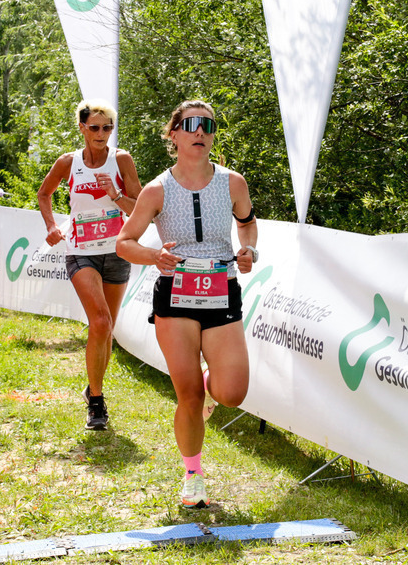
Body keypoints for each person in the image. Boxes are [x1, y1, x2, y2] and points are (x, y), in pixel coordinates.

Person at [115, 99, 258, 509]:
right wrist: (154, 256)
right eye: (192, 124)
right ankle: (193, 475)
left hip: (221, 290)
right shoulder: (156, 190)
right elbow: (124, 243)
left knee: (232, 393)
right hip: (175, 295)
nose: (200, 132)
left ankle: (211, 388)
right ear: (174, 134)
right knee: (189, 395)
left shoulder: (233, 183)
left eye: (208, 126)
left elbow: (248, 224)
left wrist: (249, 251)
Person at [37, 100, 143, 430]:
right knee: (99, 320)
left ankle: (92, 387)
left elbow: (139, 208)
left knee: (106, 327)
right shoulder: (68, 162)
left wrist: (115, 195)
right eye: (94, 127)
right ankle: (96, 401)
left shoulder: (121, 159)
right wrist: (51, 226)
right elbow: (44, 194)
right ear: (82, 128)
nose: (101, 133)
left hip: (117, 250)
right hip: (80, 250)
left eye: (107, 127)